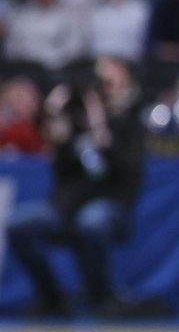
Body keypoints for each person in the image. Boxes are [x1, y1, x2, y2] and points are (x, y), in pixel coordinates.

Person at [6, 57, 145, 315]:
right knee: (17, 225)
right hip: (65, 207)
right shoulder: (71, 121)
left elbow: (126, 171)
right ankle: (53, 297)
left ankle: (100, 297)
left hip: (110, 204)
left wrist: (101, 129)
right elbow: (61, 172)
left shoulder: (128, 122)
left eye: (107, 83)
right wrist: (55, 118)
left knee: (91, 222)